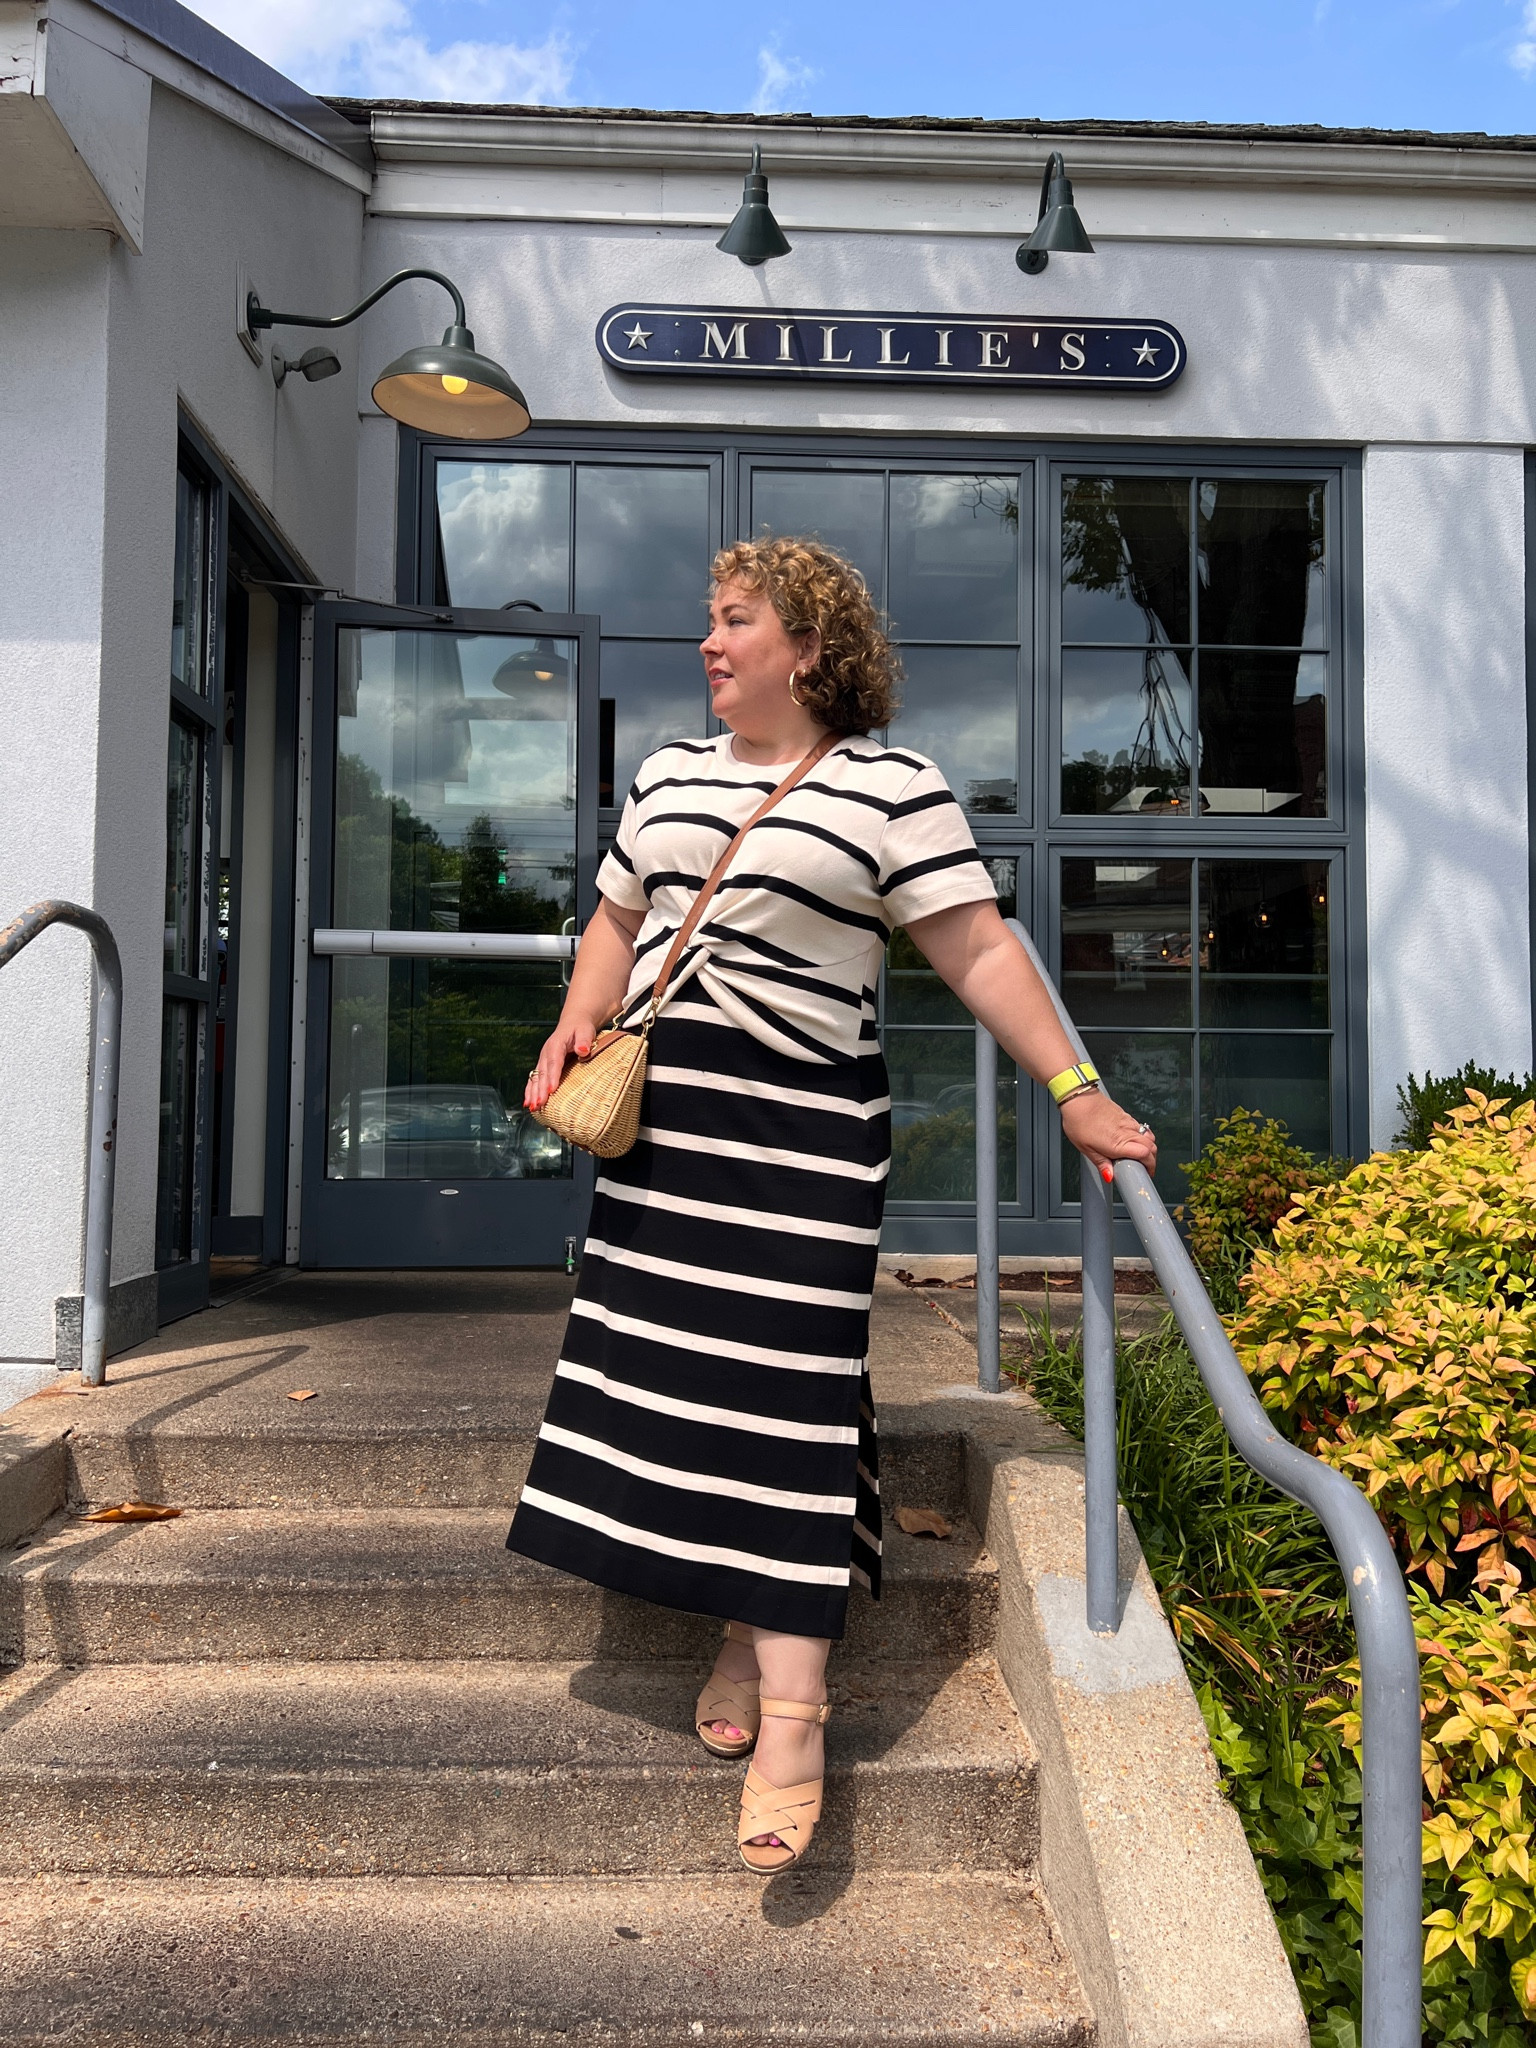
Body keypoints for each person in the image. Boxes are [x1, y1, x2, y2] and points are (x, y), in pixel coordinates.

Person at [508, 536, 1156, 1873]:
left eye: (735, 618)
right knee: (696, 1388)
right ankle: (749, 1625)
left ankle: (798, 1709)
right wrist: (573, 1028)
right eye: (707, 616)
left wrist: (1076, 1087)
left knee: (787, 1388)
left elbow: (977, 946)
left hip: (800, 1129)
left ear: (811, 645)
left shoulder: (888, 790)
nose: (709, 640)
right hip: (662, 1127)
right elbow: (617, 922)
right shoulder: (671, 775)